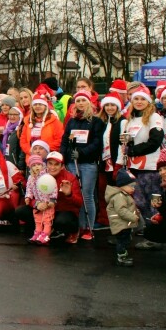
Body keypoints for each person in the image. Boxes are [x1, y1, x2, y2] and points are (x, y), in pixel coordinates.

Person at [60, 91, 104, 241]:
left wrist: (83, 153)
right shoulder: (72, 121)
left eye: (83, 100)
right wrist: (63, 156)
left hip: (88, 164)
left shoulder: (96, 122)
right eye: (77, 100)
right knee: (75, 196)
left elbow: (97, 143)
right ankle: (78, 226)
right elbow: (65, 140)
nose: (80, 103)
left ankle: (88, 227)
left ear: (89, 103)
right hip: (72, 163)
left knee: (87, 196)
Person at [121, 87, 165, 226]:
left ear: (148, 101)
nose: (139, 102)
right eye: (136, 99)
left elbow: (155, 141)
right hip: (133, 166)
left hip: (150, 166)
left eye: (142, 99)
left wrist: (133, 151)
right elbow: (125, 140)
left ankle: (155, 233)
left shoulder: (154, 117)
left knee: (152, 201)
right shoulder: (131, 118)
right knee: (139, 201)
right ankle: (146, 229)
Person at [107, 169, 141, 267]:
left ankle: (123, 256)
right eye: (131, 186)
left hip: (124, 224)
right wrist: (133, 217)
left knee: (125, 241)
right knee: (122, 242)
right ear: (122, 185)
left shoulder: (124, 195)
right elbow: (122, 211)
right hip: (121, 224)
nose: (133, 188)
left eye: (134, 186)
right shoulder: (119, 197)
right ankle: (121, 258)